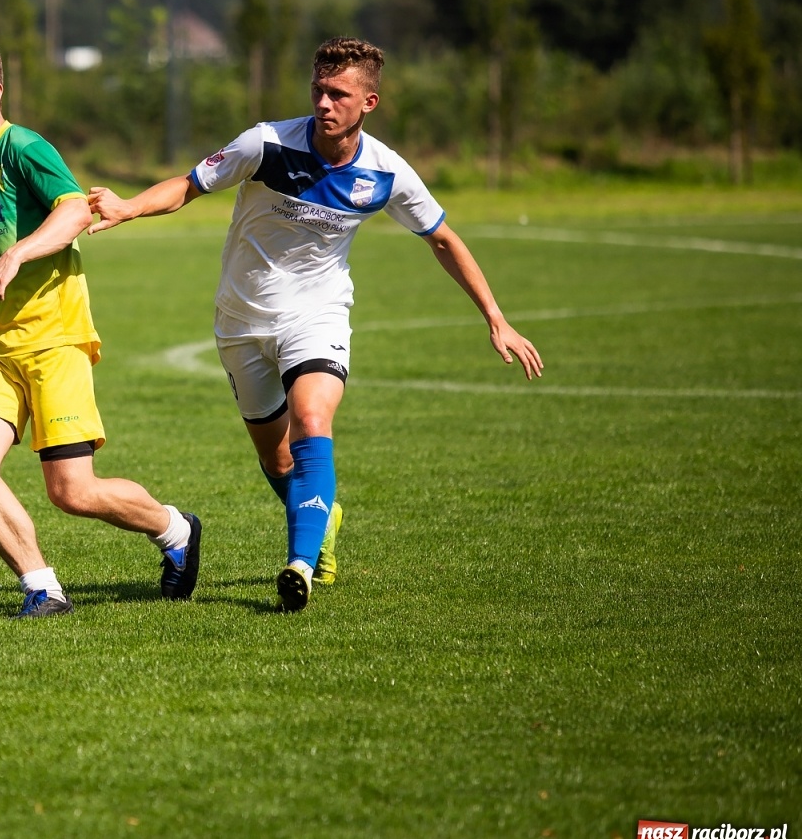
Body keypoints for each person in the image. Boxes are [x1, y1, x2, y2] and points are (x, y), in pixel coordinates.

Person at [87, 37, 543, 612]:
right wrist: (129, 207)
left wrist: (496, 319)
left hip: (317, 315)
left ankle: (299, 564)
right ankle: (322, 514)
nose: (325, 103)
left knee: (311, 419)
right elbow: (188, 185)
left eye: (339, 94)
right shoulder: (266, 142)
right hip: (240, 320)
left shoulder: (387, 173)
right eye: (318, 90)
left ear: (369, 102)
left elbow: (443, 239)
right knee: (277, 461)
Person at [0, 41, 200, 618]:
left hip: (54, 343)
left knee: (72, 492)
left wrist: (19, 254)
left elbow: (74, 210)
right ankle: (43, 588)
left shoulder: (24, 148)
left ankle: (175, 530)